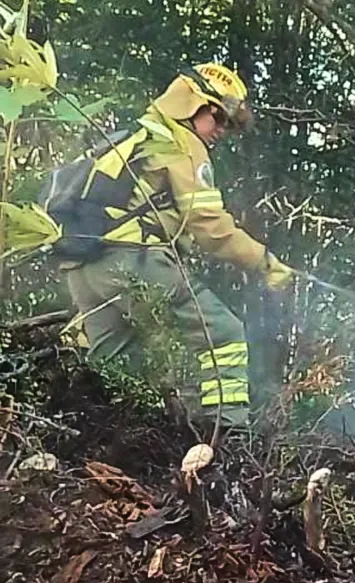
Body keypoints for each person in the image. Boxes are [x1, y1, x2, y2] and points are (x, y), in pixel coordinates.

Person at [58, 63, 295, 432]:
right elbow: (209, 226)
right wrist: (265, 263)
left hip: (84, 268)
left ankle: (102, 442)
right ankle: (229, 437)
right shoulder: (180, 144)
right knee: (224, 336)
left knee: (113, 360)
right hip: (134, 260)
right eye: (219, 119)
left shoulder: (135, 135)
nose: (222, 131)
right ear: (194, 105)